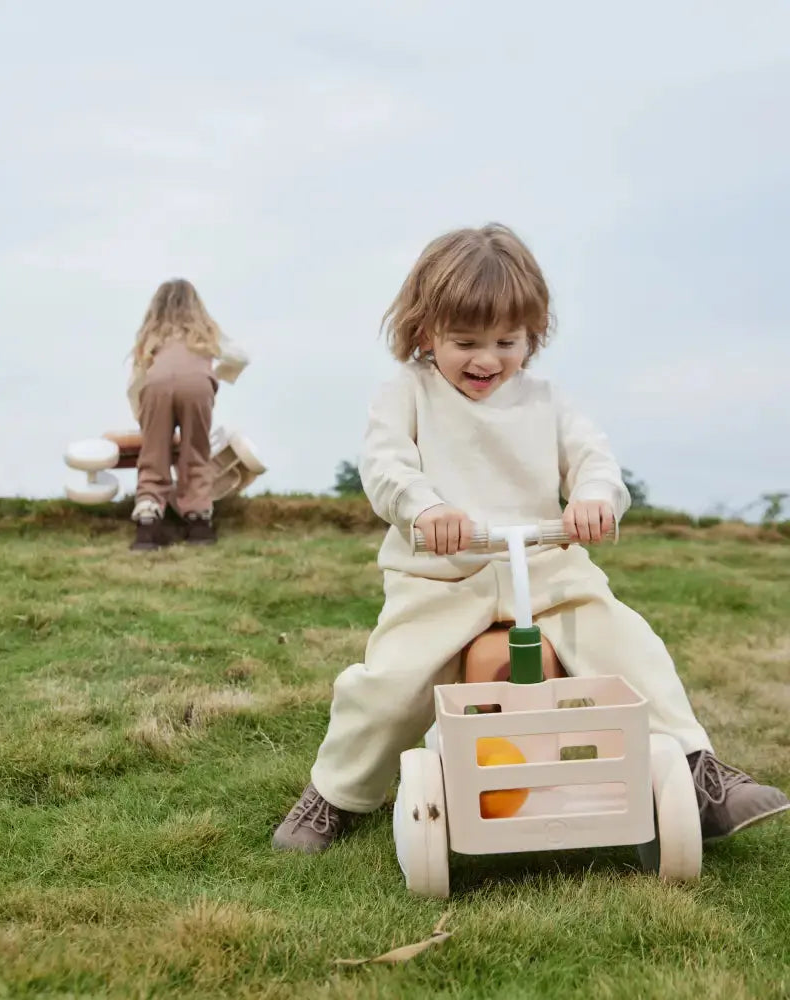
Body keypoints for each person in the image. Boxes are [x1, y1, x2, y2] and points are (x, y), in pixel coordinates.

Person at [272, 223, 789, 852]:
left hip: (548, 572)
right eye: (465, 342)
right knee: (389, 685)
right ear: (425, 331)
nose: (486, 360)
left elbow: (593, 459)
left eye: (506, 341)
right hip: (443, 577)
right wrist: (425, 506)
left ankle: (697, 770)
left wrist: (597, 499)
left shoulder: (548, 401)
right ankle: (335, 796)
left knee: (630, 647)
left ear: (532, 336)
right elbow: (386, 468)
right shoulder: (407, 394)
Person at [127, 278, 249, 551]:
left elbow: (135, 381)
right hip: (197, 386)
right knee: (195, 450)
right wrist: (213, 375)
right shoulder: (204, 332)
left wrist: (143, 418)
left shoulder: (152, 335)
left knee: (153, 454)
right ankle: (198, 524)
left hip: (155, 386)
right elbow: (241, 356)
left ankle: (147, 524)